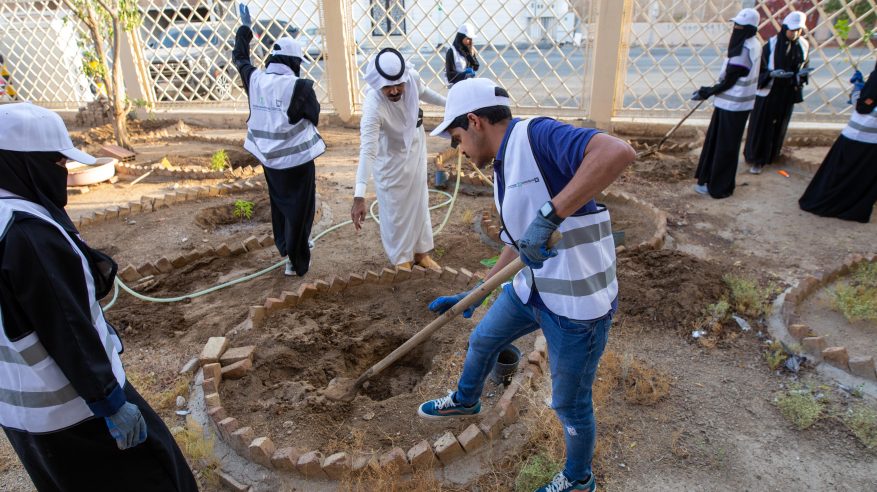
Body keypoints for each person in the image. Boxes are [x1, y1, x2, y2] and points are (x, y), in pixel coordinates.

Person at [418, 78, 635, 492]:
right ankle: (466, 400)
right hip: (530, 290)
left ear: (476, 122)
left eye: (458, 137)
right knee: (482, 339)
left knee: (569, 403)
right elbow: (517, 242)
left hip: (575, 306)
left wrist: (552, 214)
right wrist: (477, 291)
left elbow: (617, 152)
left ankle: (578, 480)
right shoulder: (503, 164)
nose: (459, 150)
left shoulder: (537, 135)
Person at [0, 103, 197, 491]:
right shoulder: (29, 236)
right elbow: (67, 326)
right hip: (75, 411)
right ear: (23, 164)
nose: (65, 174)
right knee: (159, 476)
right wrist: (109, 401)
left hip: (22, 414)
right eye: (57, 163)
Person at [234, 4, 324, 277]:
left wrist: (245, 30)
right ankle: (297, 262)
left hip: (269, 161)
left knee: (281, 206)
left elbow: (240, 58)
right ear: (293, 62)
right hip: (297, 161)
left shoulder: (255, 79)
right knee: (301, 209)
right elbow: (314, 115)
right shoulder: (300, 87)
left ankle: (286, 247)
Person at [350, 48, 447, 270]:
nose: (394, 91)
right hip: (390, 159)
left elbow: (425, 92)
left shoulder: (411, 79)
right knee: (396, 210)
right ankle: (402, 259)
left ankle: (421, 253)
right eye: (387, 87)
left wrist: (450, 103)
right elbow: (367, 150)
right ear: (377, 84)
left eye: (398, 85)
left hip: (415, 147)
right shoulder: (373, 106)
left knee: (419, 201)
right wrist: (359, 196)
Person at [691, 8, 762, 199]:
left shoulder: (746, 48)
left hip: (734, 105)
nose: (736, 28)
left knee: (725, 147)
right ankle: (710, 180)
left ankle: (719, 187)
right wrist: (710, 92)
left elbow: (730, 79)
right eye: (735, 25)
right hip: (729, 105)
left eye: (740, 26)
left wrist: (708, 91)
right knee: (717, 144)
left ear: (750, 28)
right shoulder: (752, 44)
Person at [799, 64, 877, 223]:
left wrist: (857, 90)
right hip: (872, 138)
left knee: (839, 173)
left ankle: (833, 204)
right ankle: (854, 207)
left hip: (861, 134)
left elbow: (863, 106)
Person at [743, 11, 811, 174]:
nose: (795, 33)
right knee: (762, 125)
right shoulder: (771, 45)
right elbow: (758, 69)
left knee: (779, 124)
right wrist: (771, 74)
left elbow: (805, 65)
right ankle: (756, 158)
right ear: (784, 28)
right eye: (792, 30)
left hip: (787, 92)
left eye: (798, 30)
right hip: (769, 91)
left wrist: (800, 75)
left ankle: (772, 155)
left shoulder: (803, 44)